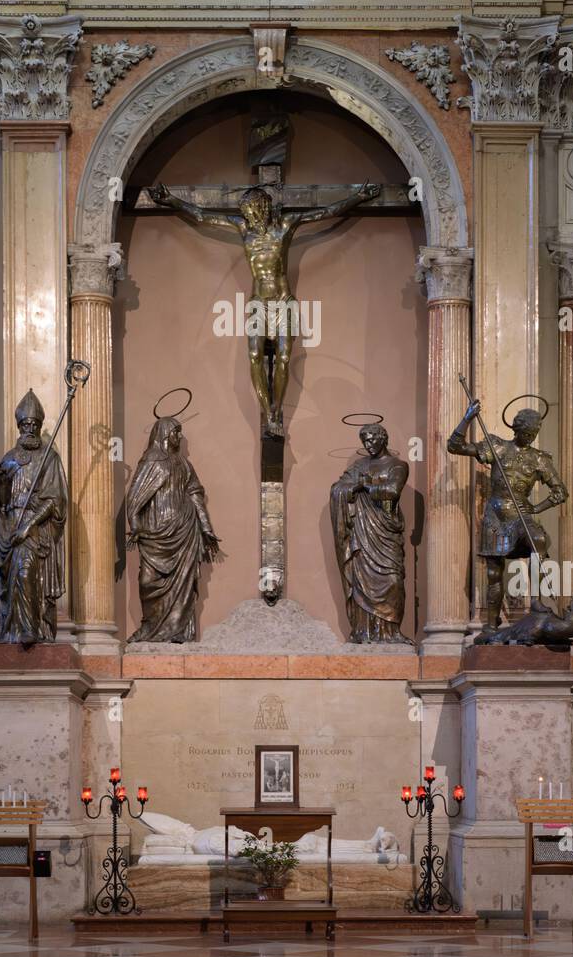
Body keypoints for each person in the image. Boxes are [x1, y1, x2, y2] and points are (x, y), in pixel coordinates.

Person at [149, 179, 379, 435]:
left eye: (254, 210)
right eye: (247, 211)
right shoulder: (243, 228)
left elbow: (324, 212)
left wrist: (358, 197)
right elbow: (202, 215)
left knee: (282, 357)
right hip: (258, 303)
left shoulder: (284, 227)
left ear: (265, 207)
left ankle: (275, 412)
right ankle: (268, 412)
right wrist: (172, 200)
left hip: (283, 302)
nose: (250, 215)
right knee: (255, 356)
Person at [447, 400, 568, 634]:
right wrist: (467, 418)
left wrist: (536, 508)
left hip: (521, 514)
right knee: (494, 571)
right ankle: (492, 624)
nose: (530, 438)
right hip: (496, 516)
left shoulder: (539, 458)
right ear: (516, 430)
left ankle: (536, 600)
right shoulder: (498, 447)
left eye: (534, 434)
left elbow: (560, 491)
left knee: (538, 540)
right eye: (526, 433)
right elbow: (455, 446)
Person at [126, 416, 219, 643]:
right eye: (176, 432)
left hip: (184, 531)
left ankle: (178, 631)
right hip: (156, 534)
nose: (179, 437)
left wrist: (206, 528)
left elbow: (195, 494)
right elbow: (135, 497)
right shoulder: (150, 461)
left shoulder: (184, 465)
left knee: (184, 584)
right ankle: (149, 627)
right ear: (165, 433)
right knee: (147, 582)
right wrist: (136, 526)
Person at [0, 389, 67, 646]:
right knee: (11, 580)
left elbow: (54, 500)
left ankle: (29, 628)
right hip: (11, 525)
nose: (30, 428)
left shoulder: (49, 459)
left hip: (34, 527)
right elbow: (1, 504)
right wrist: (2, 483)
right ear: (19, 425)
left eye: (34, 424)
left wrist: (28, 526)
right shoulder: (10, 458)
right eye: (25, 424)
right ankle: (12, 628)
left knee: (26, 571)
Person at [330, 422, 410, 643]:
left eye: (373, 439)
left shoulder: (398, 465)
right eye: (364, 441)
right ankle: (365, 632)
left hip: (385, 533)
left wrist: (364, 486)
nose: (369, 444)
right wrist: (352, 487)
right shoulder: (358, 466)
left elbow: (393, 491)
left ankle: (391, 632)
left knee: (393, 580)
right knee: (362, 582)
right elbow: (338, 488)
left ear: (384, 438)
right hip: (363, 534)